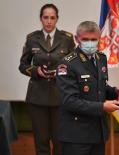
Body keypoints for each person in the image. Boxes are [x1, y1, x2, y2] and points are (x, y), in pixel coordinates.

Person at [56, 21, 119, 155]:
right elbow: (70, 101)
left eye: (94, 39)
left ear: (99, 39)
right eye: (85, 39)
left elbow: (100, 87)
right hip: (76, 136)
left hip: (97, 133)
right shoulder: (67, 64)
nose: (90, 43)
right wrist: (103, 107)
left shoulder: (101, 58)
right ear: (76, 39)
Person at [19, 4, 75, 155]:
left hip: (61, 97)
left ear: (57, 19)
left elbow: (75, 66)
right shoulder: (32, 38)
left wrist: (62, 72)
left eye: (52, 17)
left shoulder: (67, 39)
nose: (49, 21)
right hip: (37, 98)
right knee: (41, 143)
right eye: (46, 17)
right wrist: (36, 71)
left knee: (60, 142)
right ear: (41, 19)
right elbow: (23, 65)